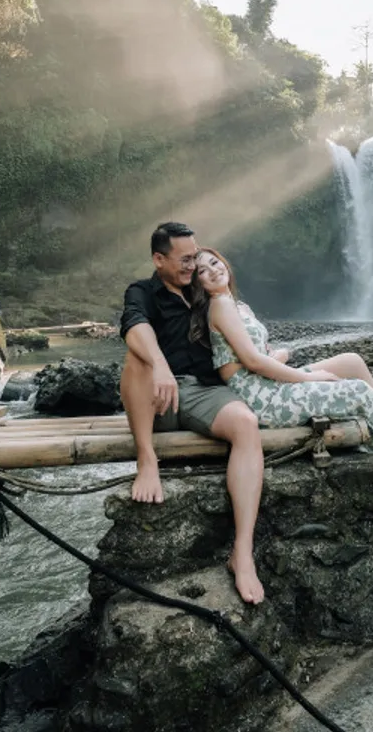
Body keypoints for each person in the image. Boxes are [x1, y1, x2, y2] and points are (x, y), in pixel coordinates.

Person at [194, 247, 373, 461]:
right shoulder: (220, 306)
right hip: (263, 399)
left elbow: (253, 356)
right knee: (358, 391)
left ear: (224, 262)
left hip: (269, 384)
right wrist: (309, 378)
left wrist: (279, 355)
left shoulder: (238, 306)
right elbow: (253, 361)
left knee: (351, 362)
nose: (213, 270)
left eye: (214, 262)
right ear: (198, 283)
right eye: (202, 271)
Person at [119, 222, 265, 604]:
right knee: (136, 357)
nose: (192, 265)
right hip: (158, 396)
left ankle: (242, 554)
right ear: (159, 259)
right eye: (184, 259)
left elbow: (238, 331)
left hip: (205, 392)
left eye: (194, 257)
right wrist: (160, 365)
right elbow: (134, 326)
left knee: (247, 424)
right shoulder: (142, 292)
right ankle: (147, 459)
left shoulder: (201, 290)